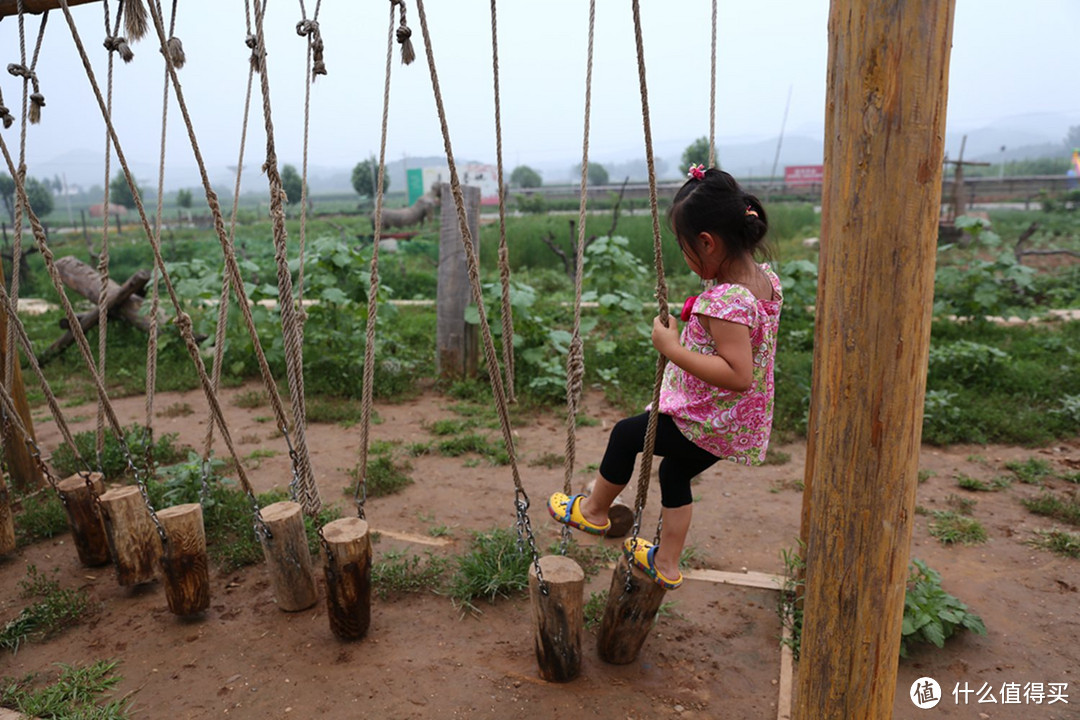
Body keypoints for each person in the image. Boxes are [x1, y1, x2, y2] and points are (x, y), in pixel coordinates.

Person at [548, 164, 783, 590]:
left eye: (684, 246)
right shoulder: (763, 281)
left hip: (710, 420)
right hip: (737, 424)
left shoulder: (725, 302)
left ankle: (595, 511)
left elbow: (738, 374)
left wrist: (673, 349)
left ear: (707, 242)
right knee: (674, 474)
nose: (684, 255)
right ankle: (668, 563)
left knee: (625, 435)